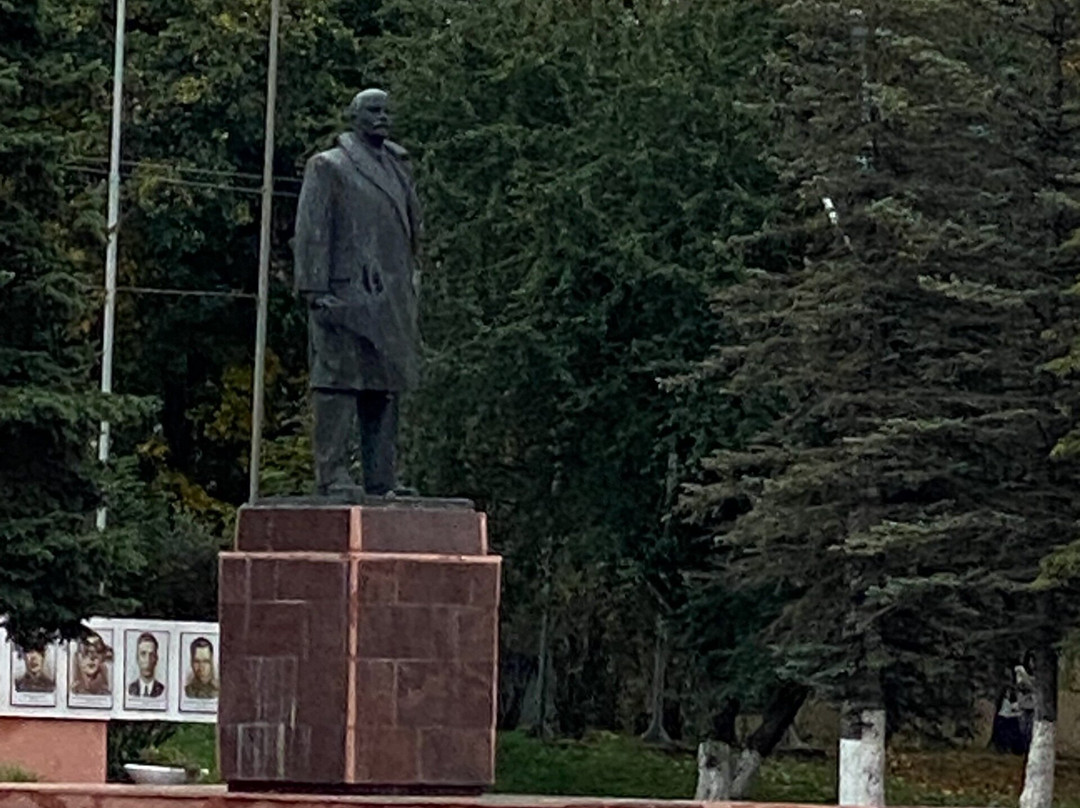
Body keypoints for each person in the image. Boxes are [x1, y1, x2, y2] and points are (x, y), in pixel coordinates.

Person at [293, 88, 423, 496]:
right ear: (354, 116)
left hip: (391, 298)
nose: (382, 117)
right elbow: (312, 231)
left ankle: (381, 478)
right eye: (373, 111)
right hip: (345, 295)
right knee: (338, 384)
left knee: (384, 387)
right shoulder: (329, 166)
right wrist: (315, 290)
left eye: (386, 111)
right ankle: (332, 476)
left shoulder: (399, 166)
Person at [127, 632, 165, 698]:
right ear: (137, 658)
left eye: (151, 654)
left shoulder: (163, 690)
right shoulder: (130, 689)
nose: (148, 660)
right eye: (143, 654)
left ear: (156, 659)